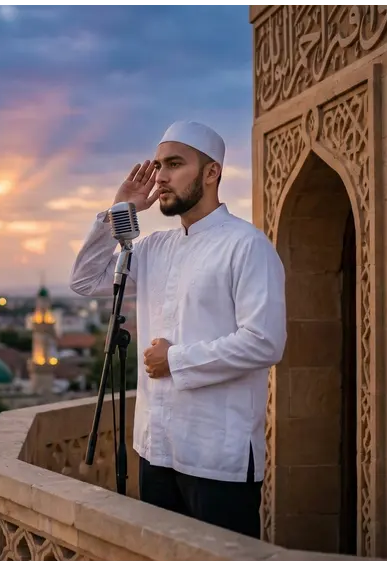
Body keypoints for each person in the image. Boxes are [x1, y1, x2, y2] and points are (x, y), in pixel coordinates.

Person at [69, 120, 286, 539]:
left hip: (216, 459)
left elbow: (264, 342)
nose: (161, 177)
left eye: (174, 164)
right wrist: (120, 210)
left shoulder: (246, 245)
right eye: (157, 165)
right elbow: (84, 280)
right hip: (156, 451)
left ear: (211, 173)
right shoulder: (154, 249)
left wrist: (175, 359)